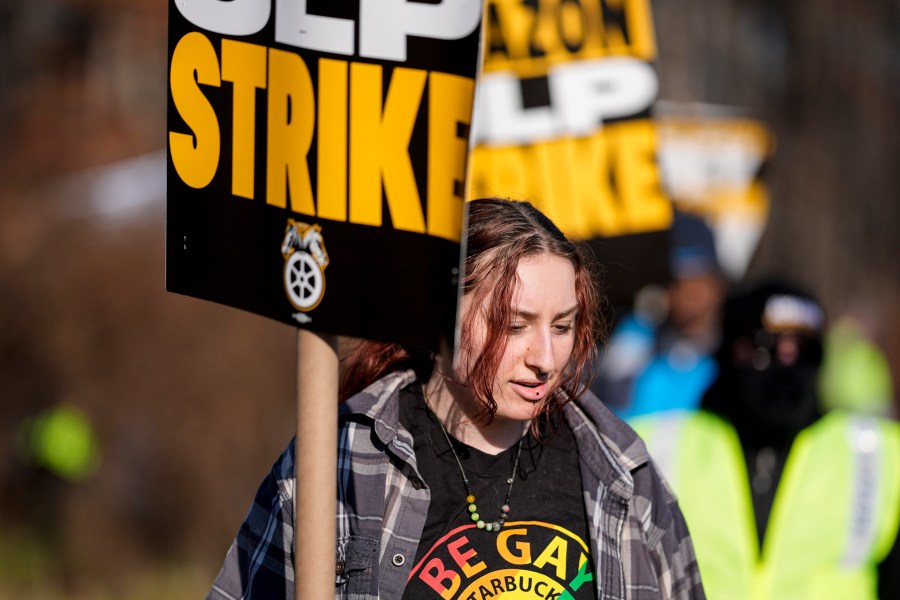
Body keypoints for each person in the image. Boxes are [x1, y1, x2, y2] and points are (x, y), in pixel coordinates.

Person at [206, 198, 705, 600]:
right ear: (439, 316)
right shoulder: (342, 460)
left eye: (563, 326)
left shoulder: (622, 472)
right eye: (514, 325)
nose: (547, 359)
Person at [632, 279, 900, 599]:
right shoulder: (655, 445)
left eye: (803, 350)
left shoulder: (879, 454)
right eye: (763, 348)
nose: (785, 365)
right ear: (730, 352)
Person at [592, 211, 727, 420]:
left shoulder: (736, 347)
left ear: (717, 284)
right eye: (679, 281)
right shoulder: (635, 340)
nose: (691, 293)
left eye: (700, 278)